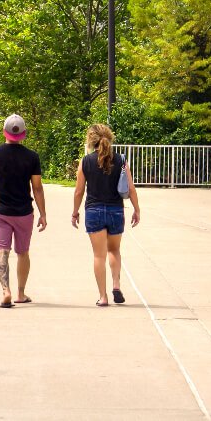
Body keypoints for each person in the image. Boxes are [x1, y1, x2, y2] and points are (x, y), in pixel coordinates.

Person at [0, 113, 47, 308]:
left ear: (4, 132)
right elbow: (37, 187)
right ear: (24, 134)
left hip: (0, 211)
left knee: (2, 251)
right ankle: (20, 293)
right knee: (23, 252)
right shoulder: (32, 157)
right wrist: (43, 213)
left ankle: (5, 291)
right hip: (24, 212)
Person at [71, 123, 140, 306]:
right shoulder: (120, 160)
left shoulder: (85, 162)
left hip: (93, 211)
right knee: (114, 250)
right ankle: (116, 285)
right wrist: (136, 210)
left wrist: (75, 212)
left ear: (90, 140)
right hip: (116, 211)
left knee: (98, 256)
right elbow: (130, 189)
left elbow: (79, 191)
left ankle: (103, 297)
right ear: (109, 137)